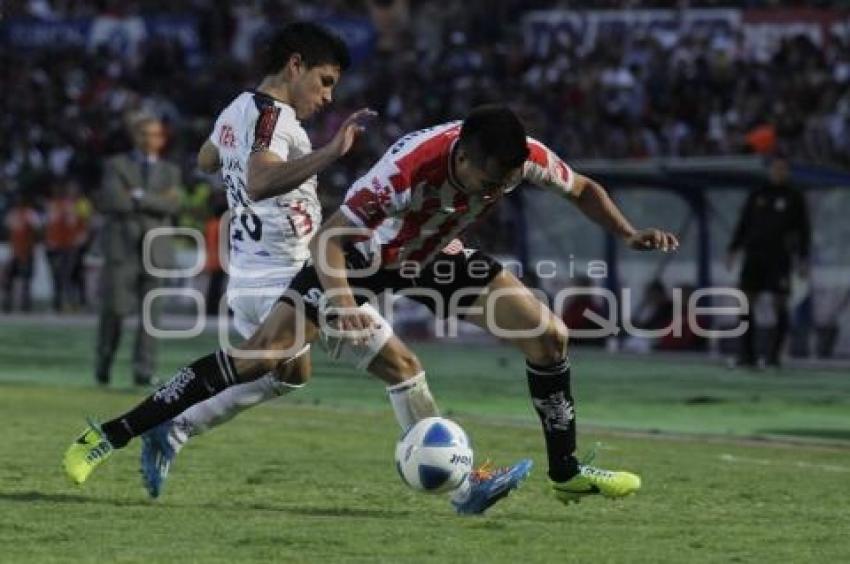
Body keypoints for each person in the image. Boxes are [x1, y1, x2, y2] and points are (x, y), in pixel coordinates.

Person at [64, 105, 679, 512]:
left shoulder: (524, 160)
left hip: (437, 254)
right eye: (487, 180)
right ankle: (108, 434)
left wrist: (627, 234)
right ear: (461, 154)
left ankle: (565, 470)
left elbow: (585, 189)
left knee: (548, 337)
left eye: (505, 183)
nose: (495, 191)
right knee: (263, 359)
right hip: (357, 256)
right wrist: (342, 301)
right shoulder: (404, 171)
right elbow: (331, 237)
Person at [93, 115, 183, 386]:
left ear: (162, 139)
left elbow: (173, 206)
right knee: (116, 310)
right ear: (135, 136)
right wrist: (156, 201)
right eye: (145, 133)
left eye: (156, 134)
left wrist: (139, 196)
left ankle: (143, 371)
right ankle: (104, 361)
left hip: (155, 251)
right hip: (122, 250)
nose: (150, 139)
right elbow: (114, 201)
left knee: (151, 317)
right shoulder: (115, 165)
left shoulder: (171, 170)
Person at [727, 156, 811, 368]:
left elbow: (803, 230)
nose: (779, 172)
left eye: (783, 169)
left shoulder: (794, 197)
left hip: (779, 257)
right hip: (754, 255)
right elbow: (743, 223)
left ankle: (774, 356)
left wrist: (803, 258)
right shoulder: (758, 194)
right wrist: (733, 249)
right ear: (770, 170)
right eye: (775, 168)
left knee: (779, 302)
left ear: (788, 171)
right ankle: (747, 355)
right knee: (745, 301)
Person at [2, 194, 41, 313]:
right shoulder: (12, 214)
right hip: (14, 252)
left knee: (26, 280)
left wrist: (31, 246)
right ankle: (7, 305)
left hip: (27, 252)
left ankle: (25, 306)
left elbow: (38, 230)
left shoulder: (30, 214)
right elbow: (8, 231)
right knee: (8, 279)